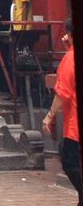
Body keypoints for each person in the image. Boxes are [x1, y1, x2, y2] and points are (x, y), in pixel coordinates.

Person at [42, 16, 81, 205]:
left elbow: (63, 92)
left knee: (69, 161)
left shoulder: (70, 59)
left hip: (74, 122)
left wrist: (49, 116)